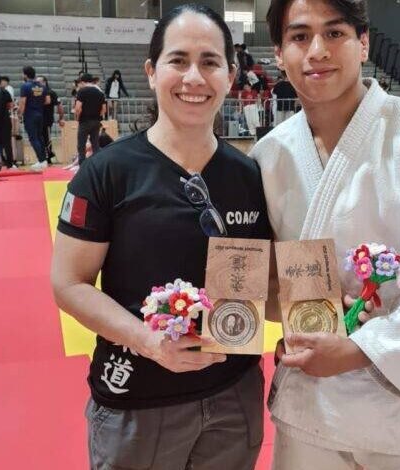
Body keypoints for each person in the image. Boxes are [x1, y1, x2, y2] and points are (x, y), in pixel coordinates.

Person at [251, 1, 400, 469]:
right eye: (299, 36)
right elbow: (265, 284)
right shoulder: (268, 156)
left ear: (363, 43)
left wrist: (358, 349)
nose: (317, 50)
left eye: (334, 33)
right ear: (279, 53)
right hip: (310, 406)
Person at [51, 6, 271, 470]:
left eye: (210, 62)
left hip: (234, 397)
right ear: (152, 72)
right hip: (138, 400)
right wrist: (147, 340)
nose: (194, 77)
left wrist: (336, 308)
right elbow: (69, 284)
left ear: (230, 76)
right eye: (178, 60)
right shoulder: (107, 172)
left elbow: (255, 284)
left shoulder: (248, 175)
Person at [19, 66, 50, 170]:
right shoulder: (42, 86)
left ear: (25, 75)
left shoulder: (25, 86)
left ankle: (41, 160)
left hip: (30, 115)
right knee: (40, 137)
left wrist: (19, 114)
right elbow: (47, 101)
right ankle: (44, 160)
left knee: (33, 138)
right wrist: (38, 103)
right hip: (40, 114)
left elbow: (23, 102)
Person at [74, 73, 106, 165]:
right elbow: (104, 109)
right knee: (95, 144)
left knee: (81, 144)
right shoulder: (100, 92)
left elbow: (78, 108)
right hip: (96, 121)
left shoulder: (82, 91)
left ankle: (82, 166)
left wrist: (77, 118)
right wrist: (97, 117)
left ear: (82, 82)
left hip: (85, 121)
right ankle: (97, 165)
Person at [37, 76, 65, 164]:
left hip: (46, 119)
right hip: (37, 119)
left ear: (44, 82)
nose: (37, 83)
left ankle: (48, 156)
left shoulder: (51, 92)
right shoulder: (36, 92)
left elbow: (59, 105)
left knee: (47, 138)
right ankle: (41, 156)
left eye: (39, 82)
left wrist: (61, 117)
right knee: (38, 138)